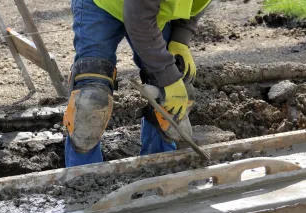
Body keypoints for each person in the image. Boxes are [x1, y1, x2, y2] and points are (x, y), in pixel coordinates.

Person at [63, 0, 211, 167]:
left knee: (170, 99)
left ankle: (160, 169)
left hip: (151, 10)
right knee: (90, 102)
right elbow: (138, 21)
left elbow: (197, 4)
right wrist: (168, 76)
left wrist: (180, 39)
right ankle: (82, 181)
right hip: (100, 5)